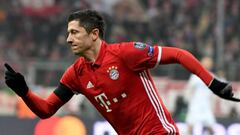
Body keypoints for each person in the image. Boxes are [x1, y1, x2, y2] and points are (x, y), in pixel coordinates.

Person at [4, 9, 240, 135]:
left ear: (94, 34)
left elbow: (179, 55)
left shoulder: (126, 54)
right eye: (68, 33)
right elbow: (46, 110)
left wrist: (213, 84)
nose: (68, 39)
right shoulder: (74, 75)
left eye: (74, 33)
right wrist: (24, 91)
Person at [185, 57, 216, 135]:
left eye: (209, 63)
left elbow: (214, 92)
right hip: (195, 105)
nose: (207, 64)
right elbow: (189, 90)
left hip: (206, 106)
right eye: (206, 62)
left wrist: (213, 103)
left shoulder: (212, 76)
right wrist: (189, 101)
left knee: (211, 128)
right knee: (190, 126)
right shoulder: (195, 76)